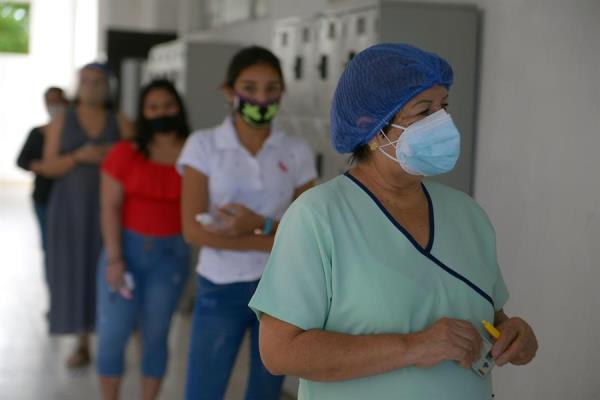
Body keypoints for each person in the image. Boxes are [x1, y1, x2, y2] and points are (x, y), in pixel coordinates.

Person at [249, 43, 539, 399]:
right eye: (423, 111)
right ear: (371, 128)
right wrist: (413, 347)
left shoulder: (467, 214)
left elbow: (492, 318)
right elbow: (279, 352)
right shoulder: (317, 217)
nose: (442, 122)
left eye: (443, 107)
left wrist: (515, 335)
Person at [178, 46, 317, 400]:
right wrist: (269, 234)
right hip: (219, 286)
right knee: (203, 389)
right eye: (250, 88)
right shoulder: (203, 145)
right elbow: (193, 230)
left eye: (272, 88)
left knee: (266, 390)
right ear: (229, 91)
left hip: (279, 290)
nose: (261, 98)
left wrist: (257, 224)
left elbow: (305, 236)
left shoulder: (296, 150)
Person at [95, 79, 191, 400]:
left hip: (171, 256)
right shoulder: (127, 152)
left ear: (179, 107)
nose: (161, 112)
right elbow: (109, 207)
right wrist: (114, 258)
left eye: (168, 105)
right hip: (125, 252)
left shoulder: (195, 152)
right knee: (112, 333)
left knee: (156, 335)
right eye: (153, 107)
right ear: (143, 112)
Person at [41, 62, 135, 368]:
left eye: (98, 82)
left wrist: (113, 154)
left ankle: (114, 336)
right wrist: (78, 157)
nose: (92, 87)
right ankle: (82, 342)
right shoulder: (62, 121)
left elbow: (138, 159)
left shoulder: (119, 121)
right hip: (70, 210)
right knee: (74, 271)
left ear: (108, 86)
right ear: (78, 85)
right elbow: (49, 166)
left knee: (112, 270)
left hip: (112, 210)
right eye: (86, 82)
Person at [16, 86, 68, 284]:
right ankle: (55, 295)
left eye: (58, 100)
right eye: (50, 101)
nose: (54, 105)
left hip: (69, 201)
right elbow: (22, 161)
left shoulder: (72, 134)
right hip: (45, 198)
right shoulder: (38, 133)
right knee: (50, 248)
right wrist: (43, 167)